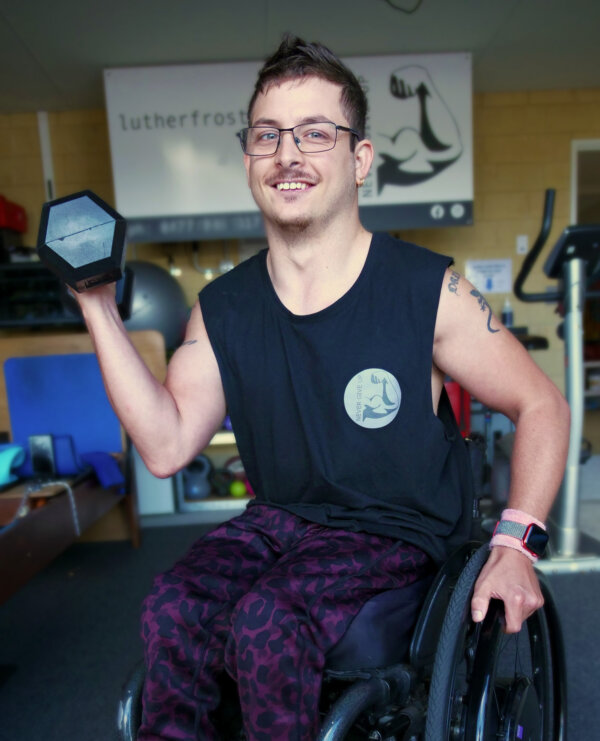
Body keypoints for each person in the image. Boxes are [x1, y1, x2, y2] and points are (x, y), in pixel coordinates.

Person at [74, 34, 570, 741]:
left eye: (314, 132)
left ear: (359, 158)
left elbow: (542, 402)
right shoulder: (224, 306)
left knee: (268, 618)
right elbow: (164, 443)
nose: (288, 154)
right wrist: (97, 305)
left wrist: (516, 545)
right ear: (248, 157)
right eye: (268, 135)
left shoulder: (429, 291)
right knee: (173, 602)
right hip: (278, 522)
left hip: (396, 532)